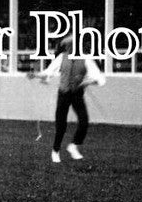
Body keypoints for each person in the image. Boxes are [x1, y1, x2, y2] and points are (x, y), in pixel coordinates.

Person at [38, 34, 106, 163]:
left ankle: (73, 146)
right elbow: (48, 72)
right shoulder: (61, 58)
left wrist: (86, 82)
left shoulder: (86, 59)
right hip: (63, 94)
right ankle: (55, 151)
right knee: (61, 125)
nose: (69, 47)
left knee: (84, 122)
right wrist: (36, 75)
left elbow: (101, 80)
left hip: (77, 94)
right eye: (68, 46)